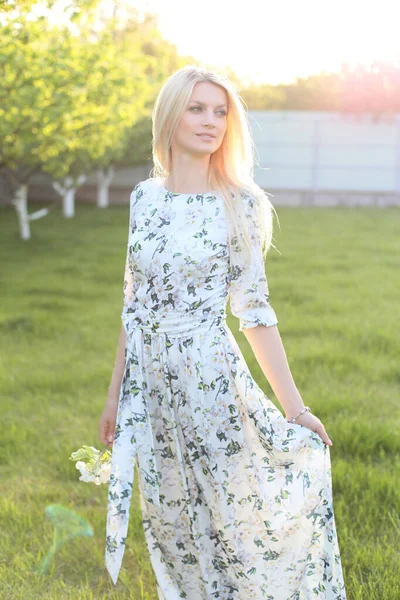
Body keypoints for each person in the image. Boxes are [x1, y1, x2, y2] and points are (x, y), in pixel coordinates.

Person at [99, 65, 347, 599]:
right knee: (172, 519)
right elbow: (134, 304)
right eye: (197, 108)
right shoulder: (145, 198)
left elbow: (254, 310)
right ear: (170, 114)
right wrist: (115, 397)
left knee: (233, 514)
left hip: (209, 377)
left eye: (220, 110)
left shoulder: (239, 203)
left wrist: (295, 408)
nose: (211, 120)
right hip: (153, 386)